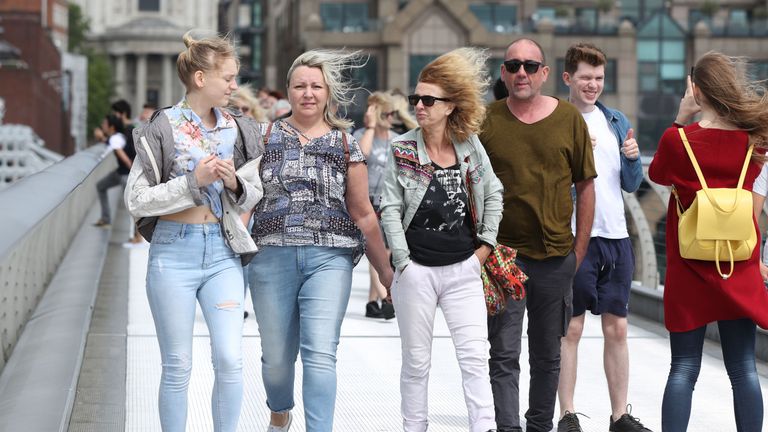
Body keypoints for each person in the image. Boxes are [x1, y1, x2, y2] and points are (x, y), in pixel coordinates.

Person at [247, 49, 393, 432]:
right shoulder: (263, 137)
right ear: (288, 91)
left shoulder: (346, 145)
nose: (308, 93)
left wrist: (387, 273)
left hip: (330, 257)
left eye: (316, 86)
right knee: (276, 357)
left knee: (320, 354)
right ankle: (280, 412)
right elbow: (244, 203)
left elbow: (363, 213)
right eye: (300, 86)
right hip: (270, 256)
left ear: (328, 92)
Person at [124, 31, 263, 432]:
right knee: (177, 365)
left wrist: (235, 184)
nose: (235, 86)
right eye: (229, 78)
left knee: (231, 359)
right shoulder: (162, 127)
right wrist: (192, 183)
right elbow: (137, 200)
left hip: (222, 252)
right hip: (173, 253)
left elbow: (256, 192)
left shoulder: (240, 129)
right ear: (201, 79)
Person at [380, 47, 503, 432]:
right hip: (416, 271)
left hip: (463, 269)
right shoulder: (402, 149)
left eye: (428, 100)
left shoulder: (469, 147)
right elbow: (388, 207)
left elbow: (494, 193)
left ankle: (483, 427)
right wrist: (402, 262)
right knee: (416, 362)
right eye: (416, 99)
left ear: (450, 106)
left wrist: (483, 250)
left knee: (474, 358)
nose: (419, 106)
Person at [479, 38, 596, 432]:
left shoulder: (568, 120)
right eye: (513, 66)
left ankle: (539, 426)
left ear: (545, 73)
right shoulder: (487, 121)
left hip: (555, 257)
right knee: (504, 353)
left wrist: (578, 251)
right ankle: (508, 428)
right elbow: (469, 184)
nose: (521, 73)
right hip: (503, 258)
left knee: (547, 355)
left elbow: (586, 186)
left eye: (530, 66)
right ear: (503, 73)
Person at [649, 51, 768, 432]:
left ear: (695, 90)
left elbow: (657, 173)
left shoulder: (677, 140)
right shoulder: (754, 143)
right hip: (738, 262)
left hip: (690, 266)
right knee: (744, 369)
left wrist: (680, 117)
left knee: (683, 368)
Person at [556, 43, 651, 432]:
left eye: (598, 78)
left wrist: (631, 157)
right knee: (572, 328)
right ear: (568, 79)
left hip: (616, 236)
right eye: (585, 78)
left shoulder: (615, 119)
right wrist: (573, 156)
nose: (592, 85)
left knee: (618, 328)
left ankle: (619, 416)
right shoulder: (559, 120)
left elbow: (630, 185)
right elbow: (551, 183)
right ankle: (567, 414)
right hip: (576, 238)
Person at [353, 90, 398, 319]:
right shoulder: (362, 134)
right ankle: (384, 296)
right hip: (366, 202)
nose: (392, 118)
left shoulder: (397, 139)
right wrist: (371, 127)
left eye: (394, 114)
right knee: (374, 250)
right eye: (389, 113)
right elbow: (361, 155)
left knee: (386, 251)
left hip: (388, 202)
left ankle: (372, 303)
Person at [93, 112, 132, 228]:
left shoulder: (115, 138)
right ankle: (105, 219)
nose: (102, 125)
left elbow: (124, 158)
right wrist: (102, 138)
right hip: (120, 173)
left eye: (104, 124)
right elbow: (110, 143)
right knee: (100, 186)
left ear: (111, 127)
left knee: (132, 206)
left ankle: (137, 234)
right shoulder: (117, 137)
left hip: (126, 175)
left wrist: (133, 172)